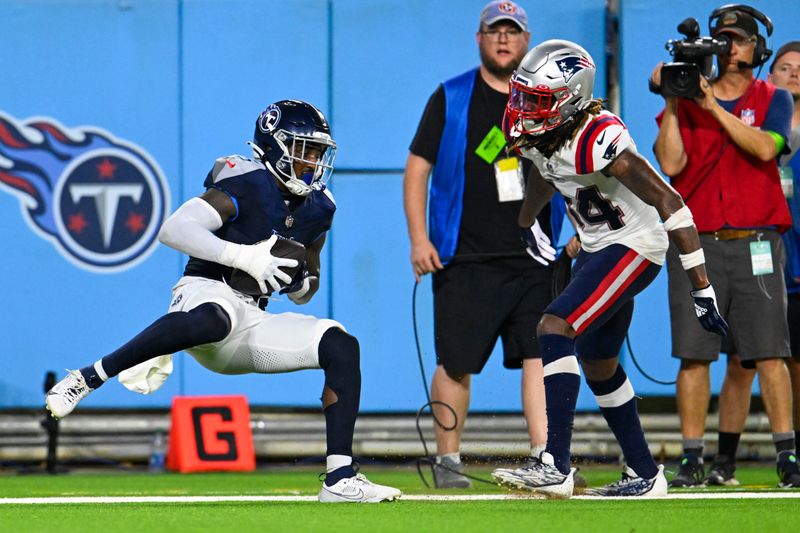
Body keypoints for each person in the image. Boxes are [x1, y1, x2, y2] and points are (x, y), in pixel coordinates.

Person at [44, 99, 402, 504]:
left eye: (317, 152)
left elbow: (309, 279)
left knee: (341, 344)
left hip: (252, 316)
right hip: (204, 294)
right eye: (304, 149)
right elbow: (174, 229)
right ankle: (89, 376)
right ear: (273, 145)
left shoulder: (320, 207)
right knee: (218, 318)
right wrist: (243, 256)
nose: (313, 161)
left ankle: (339, 478)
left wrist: (300, 284)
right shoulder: (247, 181)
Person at [490, 38, 727, 499]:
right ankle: (644, 473)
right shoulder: (540, 132)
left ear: (569, 98)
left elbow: (671, 204)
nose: (522, 108)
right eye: (522, 95)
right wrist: (526, 223)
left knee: (554, 325)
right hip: (598, 249)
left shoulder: (600, 137)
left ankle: (555, 464)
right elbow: (545, 173)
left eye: (535, 100)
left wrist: (701, 288)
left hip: (635, 245)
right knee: (599, 365)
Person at [403, 0, 568, 489]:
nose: (503, 39)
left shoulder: (549, 99)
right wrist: (419, 239)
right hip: (465, 259)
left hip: (536, 258)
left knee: (540, 357)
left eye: (512, 32)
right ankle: (448, 463)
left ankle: (545, 458)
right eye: (494, 31)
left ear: (526, 41)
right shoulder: (451, 96)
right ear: (479, 39)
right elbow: (417, 171)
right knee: (455, 364)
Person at [652, 6, 800, 488]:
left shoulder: (774, 97)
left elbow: (764, 148)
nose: (727, 47)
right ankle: (693, 458)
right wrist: (676, 102)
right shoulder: (688, 98)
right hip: (698, 244)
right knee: (694, 355)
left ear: (756, 50)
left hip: (756, 240)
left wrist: (711, 105)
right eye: (721, 39)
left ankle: (787, 456)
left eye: (737, 40)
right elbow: (670, 164)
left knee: (769, 353)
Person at [768, 40, 800, 469]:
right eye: (786, 67)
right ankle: (722, 459)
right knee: (746, 359)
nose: (794, 74)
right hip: (767, 254)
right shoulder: (756, 125)